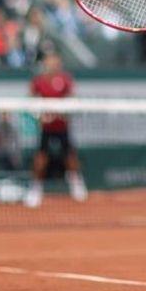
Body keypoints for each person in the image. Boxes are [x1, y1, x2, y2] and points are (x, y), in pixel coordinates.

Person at [26, 51, 88, 207]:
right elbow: (30, 101)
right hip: (46, 128)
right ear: (45, 62)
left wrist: (64, 113)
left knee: (70, 156)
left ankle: (76, 184)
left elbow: (72, 98)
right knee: (41, 158)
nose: (53, 63)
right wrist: (40, 116)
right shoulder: (38, 81)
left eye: (55, 60)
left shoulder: (65, 79)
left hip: (62, 127)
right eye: (50, 60)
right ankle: (35, 189)